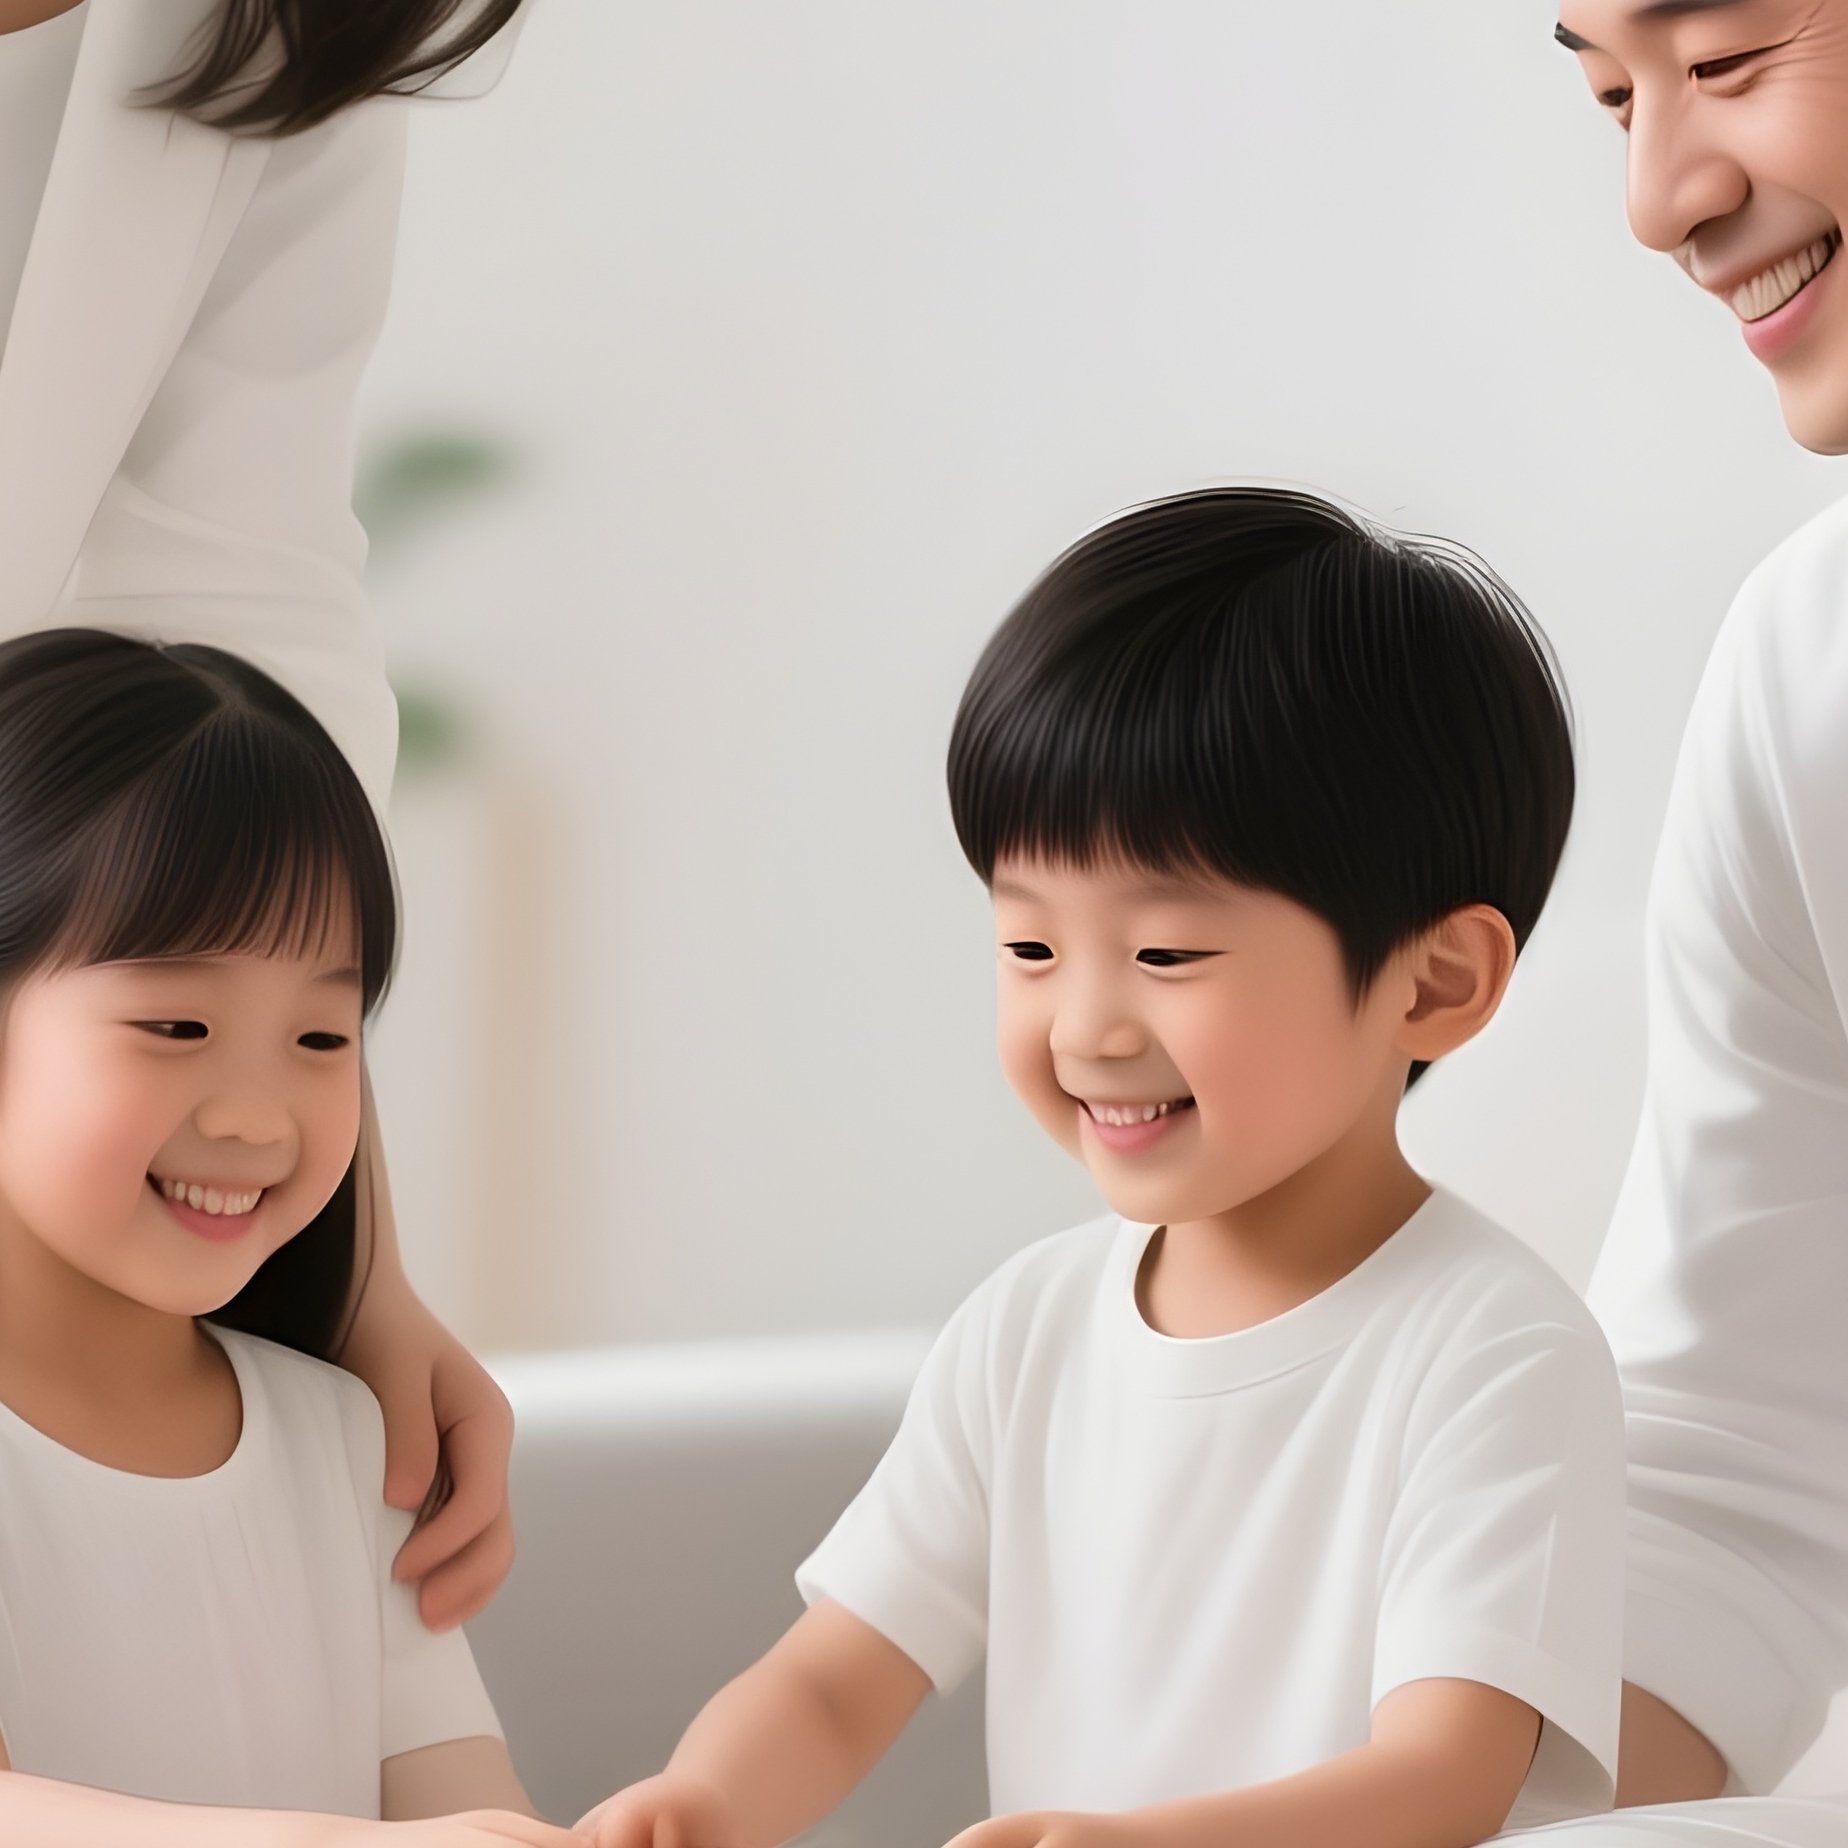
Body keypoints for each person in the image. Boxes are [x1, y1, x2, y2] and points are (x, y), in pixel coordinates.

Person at [577, 487, 1628, 1848]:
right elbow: (838, 1681)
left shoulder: (1499, 1353)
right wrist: (699, 1801)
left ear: (1435, 981)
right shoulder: (1027, 1331)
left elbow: (1443, 1778)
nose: (1085, 1026)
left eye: (1167, 953)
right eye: (1030, 948)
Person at [0, 0, 527, 1632]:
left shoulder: (285, 22)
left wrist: (350, 1253)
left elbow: (238, 596)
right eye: (174, 1021)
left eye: (321, 1035)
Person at [0, 629, 582, 1848]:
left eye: (323, 1040)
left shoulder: (342, 1443)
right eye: (175, 1025)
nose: (256, 1116)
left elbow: (465, 1805)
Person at [1521, 5, 1848, 1840]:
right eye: (1606, 96)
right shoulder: (1809, 674)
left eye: (1720, 55)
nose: (1659, 196)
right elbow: (1735, 1477)